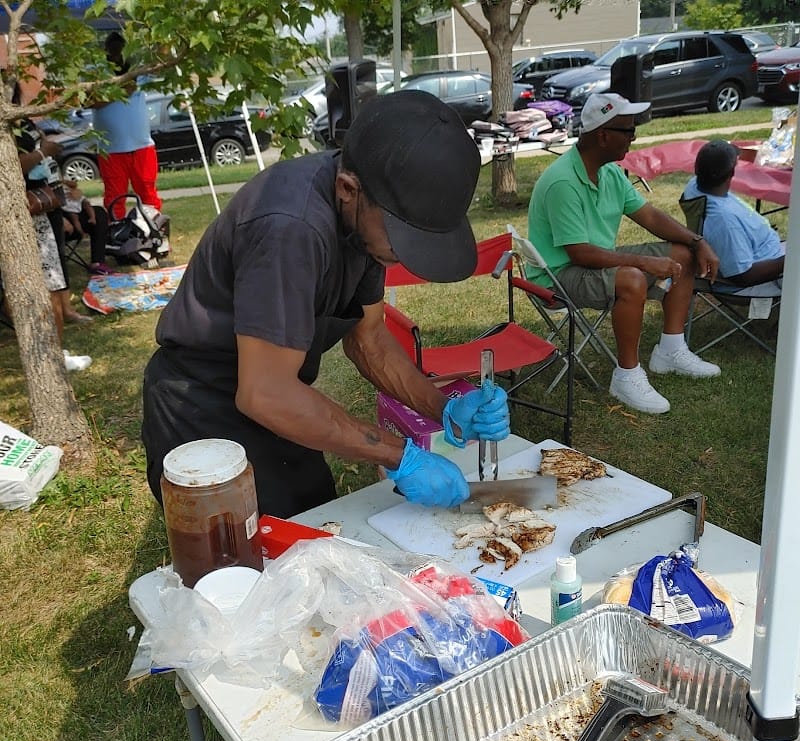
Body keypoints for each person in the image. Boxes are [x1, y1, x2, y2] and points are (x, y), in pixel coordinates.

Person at [142, 90, 510, 517]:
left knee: (317, 526)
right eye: (402, 237)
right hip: (202, 405)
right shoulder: (290, 228)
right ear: (347, 189)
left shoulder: (366, 222)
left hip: (281, 392)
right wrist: (398, 455)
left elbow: (368, 340)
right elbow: (264, 392)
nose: (404, 254)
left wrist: (443, 408)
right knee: (248, 561)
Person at [527, 92, 721, 415]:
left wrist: (696, 240)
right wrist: (644, 261)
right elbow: (580, 254)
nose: (634, 137)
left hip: (594, 259)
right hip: (556, 275)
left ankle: (670, 350)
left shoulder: (610, 173)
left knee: (682, 255)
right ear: (603, 135)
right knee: (631, 279)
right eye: (628, 131)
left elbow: (651, 217)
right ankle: (626, 376)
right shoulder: (562, 181)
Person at [15, 90, 93, 370]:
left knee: (51, 280)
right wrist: (41, 152)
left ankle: (51, 353)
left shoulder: (22, 122)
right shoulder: (9, 125)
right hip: (30, 209)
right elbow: (12, 165)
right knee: (47, 285)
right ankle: (52, 358)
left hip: (42, 203)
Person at [682, 139, 783, 297]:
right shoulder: (724, 222)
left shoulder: (695, 186)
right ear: (731, 174)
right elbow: (743, 276)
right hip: (759, 275)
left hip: (763, 250)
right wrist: (789, 261)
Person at [92, 31, 162, 219]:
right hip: (111, 149)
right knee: (115, 199)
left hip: (142, 145)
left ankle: (152, 233)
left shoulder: (137, 69)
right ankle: (116, 237)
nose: (117, 54)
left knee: (148, 195)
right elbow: (89, 101)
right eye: (112, 50)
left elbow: (161, 64)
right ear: (106, 50)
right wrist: (121, 90)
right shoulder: (96, 71)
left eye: (120, 49)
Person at [61, 180, 112, 276]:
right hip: (54, 218)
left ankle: (98, 262)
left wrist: (76, 191)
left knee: (99, 213)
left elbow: (70, 185)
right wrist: (61, 218)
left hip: (68, 206)